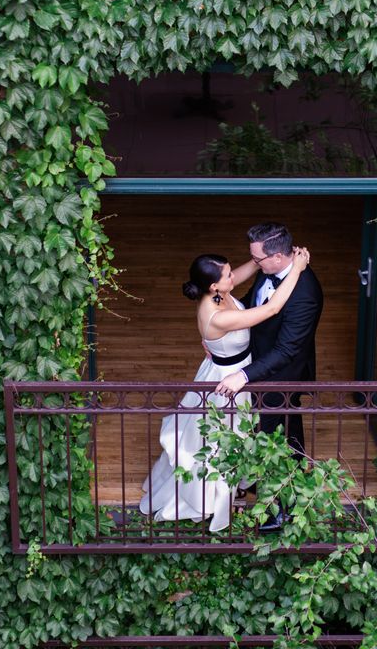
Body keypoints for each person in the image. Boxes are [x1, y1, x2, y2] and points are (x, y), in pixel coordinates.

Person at [139, 246, 310, 533]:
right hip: (227, 380)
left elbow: (245, 272)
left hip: (228, 369)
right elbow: (272, 309)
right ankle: (211, 501)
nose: (235, 276)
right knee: (220, 444)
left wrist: (262, 259)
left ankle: (240, 484)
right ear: (214, 285)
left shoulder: (218, 292)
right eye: (229, 274)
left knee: (237, 436)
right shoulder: (217, 316)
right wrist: (297, 269)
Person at [216, 222, 324, 463]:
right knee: (285, 422)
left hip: (281, 372)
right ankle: (291, 473)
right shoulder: (269, 271)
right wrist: (219, 332)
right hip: (258, 355)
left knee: (269, 428)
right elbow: (248, 304)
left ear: (277, 257)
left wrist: (242, 375)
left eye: (257, 259)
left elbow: (286, 350)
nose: (254, 263)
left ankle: (281, 486)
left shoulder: (305, 294)